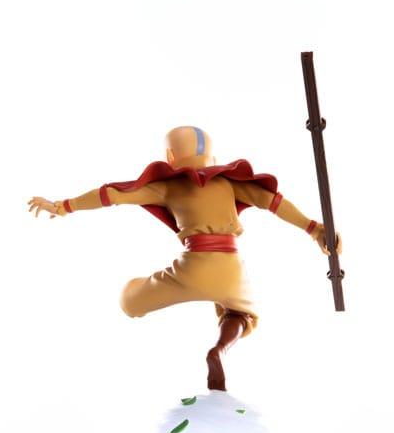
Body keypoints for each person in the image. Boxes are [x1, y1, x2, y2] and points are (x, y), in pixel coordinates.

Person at [27, 126, 341, 391]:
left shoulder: (167, 187)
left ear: (170, 157)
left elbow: (112, 194)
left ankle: (139, 298)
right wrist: (314, 228)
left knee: (129, 300)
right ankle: (220, 349)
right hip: (231, 269)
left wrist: (64, 206)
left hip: (191, 269)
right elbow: (274, 202)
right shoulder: (230, 182)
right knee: (241, 313)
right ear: (212, 157)